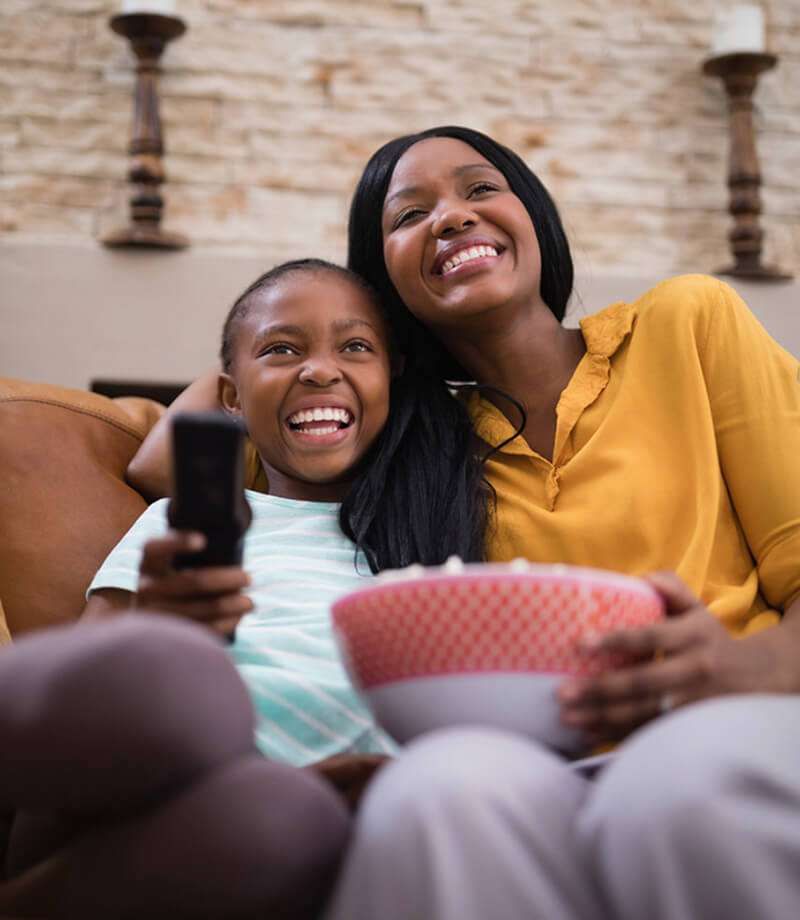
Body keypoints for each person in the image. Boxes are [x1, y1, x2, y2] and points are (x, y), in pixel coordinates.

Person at [320, 126, 800, 920]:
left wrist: (752, 669)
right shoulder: (405, 454)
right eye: (409, 215)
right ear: (383, 281)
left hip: (740, 721)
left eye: (480, 190)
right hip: (543, 769)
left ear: (533, 218)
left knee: (673, 787)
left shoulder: (688, 322)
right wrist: (355, 334)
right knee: (431, 798)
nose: (451, 218)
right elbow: (202, 424)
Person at [0, 256, 493, 920]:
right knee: (175, 665)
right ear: (230, 397)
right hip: (162, 761)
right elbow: (87, 681)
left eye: (355, 347)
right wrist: (160, 623)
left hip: (291, 815)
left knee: (279, 818)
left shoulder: (435, 538)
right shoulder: (181, 527)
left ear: (393, 378)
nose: (319, 370)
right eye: (283, 349)